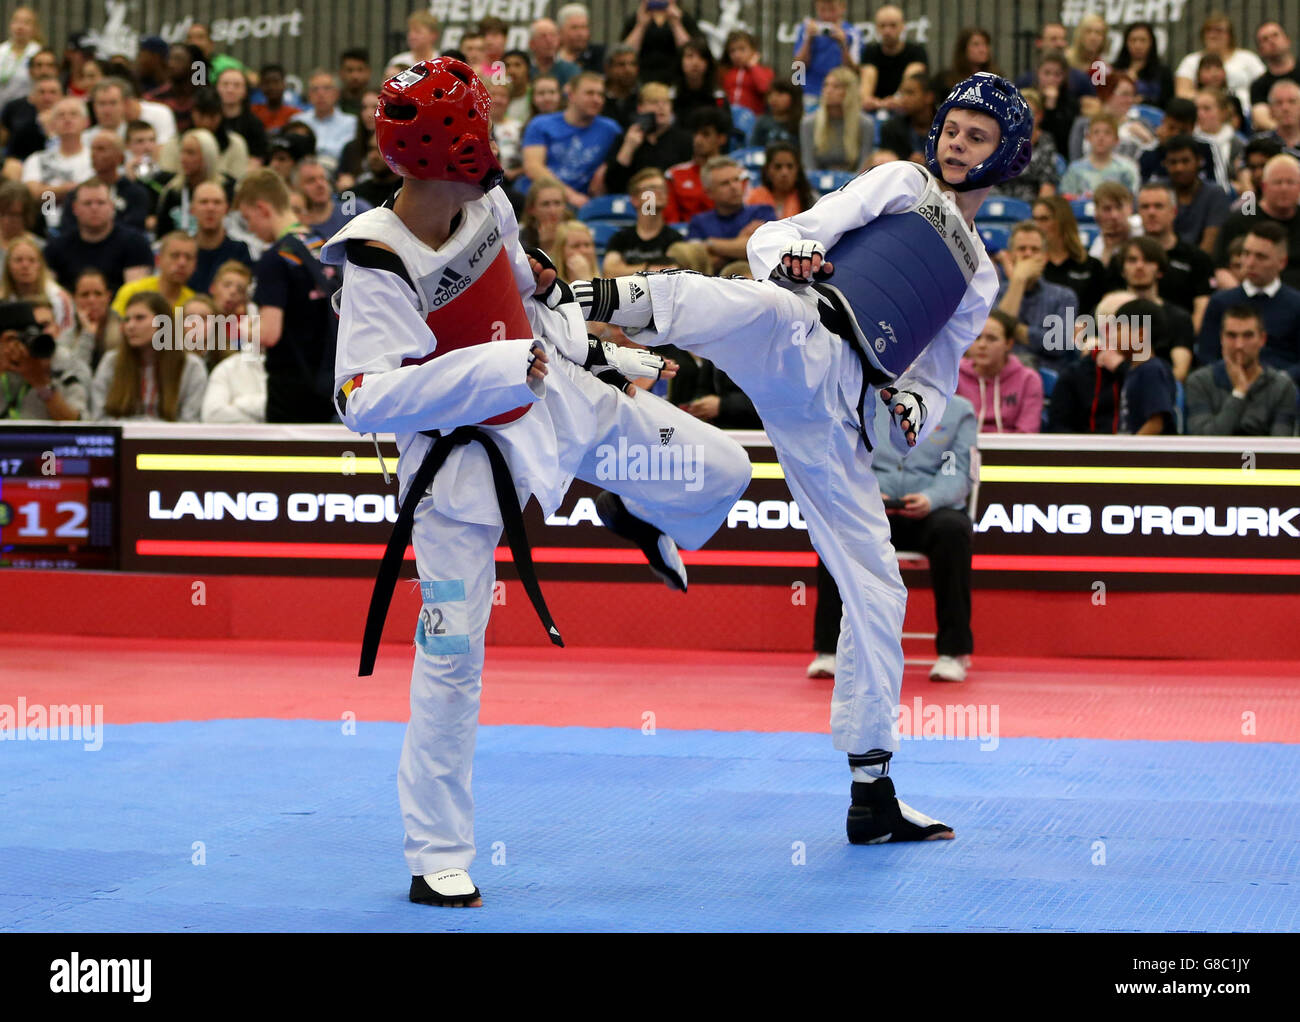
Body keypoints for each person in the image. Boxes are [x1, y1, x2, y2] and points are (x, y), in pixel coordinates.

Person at [319, 58, 750, 906]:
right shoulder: (376, 257)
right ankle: (435, 853)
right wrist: (492, 369)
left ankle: (630, 502)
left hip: (560, 401)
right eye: (479, 127)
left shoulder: (491, 204)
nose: (490, 142)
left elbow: (529, 294)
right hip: (461, 472)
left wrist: (599, 351)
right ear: (453, 146)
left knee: (721, 469)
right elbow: (361, 400)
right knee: (450, 657)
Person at [569, 71, 1035, 845]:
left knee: (879, 588)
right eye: (954, 128)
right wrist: (794, 259)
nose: (958, 143)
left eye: (977, 137)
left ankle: (872, 790)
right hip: (805, 327)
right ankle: (562, 304)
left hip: (841, 417)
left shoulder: (981, 275)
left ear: (1004, 155)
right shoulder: (901, 181)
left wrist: (911, 403)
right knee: (720, 301)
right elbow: (781, 233)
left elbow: (937, 369)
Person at [234, 169, 341, 422]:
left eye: (248, 219)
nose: (250, 228)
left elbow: (270, 333)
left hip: (292, 387)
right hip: (331, 380)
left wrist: (235, 328)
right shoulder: (323, 243)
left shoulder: (275, 257)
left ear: (263, 208)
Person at [1197, 222, 1300, 378]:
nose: (1250, 263)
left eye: (1261, 257)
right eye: (1246, 254)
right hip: (1227, 386)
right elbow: (1206, 355)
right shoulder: (1220, 302)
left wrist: (1279, 382)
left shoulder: (1296, 305)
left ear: (1282, 262)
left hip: (1283, 390)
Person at [91, 290, 208, 421]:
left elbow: (190, 424)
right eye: (127, 319)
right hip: (122, 440)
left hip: (170, 441)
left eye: (140, 318)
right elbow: (99, 419)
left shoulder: (191, 366)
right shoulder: (111, 362)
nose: (130, 326)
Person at [1186, 305, 1298, 435]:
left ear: (1262, 339)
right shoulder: (1199, 382)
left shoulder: (1282, 386)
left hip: (1261, 456)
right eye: (1231, 335)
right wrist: (1239, 393)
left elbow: (1280, 447)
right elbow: (1203, 442)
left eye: (1248, 336)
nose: (1239, 345)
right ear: (1221, 338)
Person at [44, 178, 153, 294]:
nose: (94, 208)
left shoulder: (136, 244)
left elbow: (135, 295)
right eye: (87, 203)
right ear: (75, 208)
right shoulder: (56, 247)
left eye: (101, 202)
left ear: (111, 206)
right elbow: (49, 292)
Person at [994, 220, 1079, 369]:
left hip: (1047, 379)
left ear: (1045, 257)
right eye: (1022, 249)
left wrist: (1014, 329)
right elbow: (993, 339)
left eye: (1035, 249)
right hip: (1000, 374)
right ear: (1010, 255)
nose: (1028, 254)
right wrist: (1018, 281)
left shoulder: (1065, 296)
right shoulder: (993, 292)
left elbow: (1058, 344)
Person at [1114, 236, 1196, 381]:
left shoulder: (1178, 318)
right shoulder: (1107, 310)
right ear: (1122, 270)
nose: (1139, 266)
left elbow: (1180, 372)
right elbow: (1090, 355)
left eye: (1148, 260)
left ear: (1160, 270)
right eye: (1132, 260)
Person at [1213, 154, 1300, 288]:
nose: (1284, 188)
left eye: (1290, 182)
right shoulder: (1239, 221)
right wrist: (1243, 297)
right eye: (1278, 182)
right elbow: (1221, 270)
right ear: (1264, 187)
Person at [1133, 182, 1215, 323]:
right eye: (1145, 207)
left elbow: (1202, 310)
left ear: (1174, 212)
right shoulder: (1125, 259)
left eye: (1158, 206)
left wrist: (1184, 339)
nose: (1151, 213)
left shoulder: (1197, 259)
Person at [0, 299, 88, 420]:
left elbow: (78, 426)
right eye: (10, 340)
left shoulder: (60, 361)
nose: (18, 347)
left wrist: (41, 383)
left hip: (46, 438)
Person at [957, 308, 1043, 432]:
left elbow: (1027, 432)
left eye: (991, 339)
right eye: (977, 338)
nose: (982, 345)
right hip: (962, 449)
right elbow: (945, 429)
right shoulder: (954, 377)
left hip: (1012, 450)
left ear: (1008, 344)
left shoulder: (1029, 380)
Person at [685, 156, 775, 272]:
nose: (734, 187)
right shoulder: (698, 222)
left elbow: (764, 250)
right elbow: (698, 264)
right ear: (709, 193)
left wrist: (710, 244)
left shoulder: (762, 212)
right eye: (725, 183)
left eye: (736, 180)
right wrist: (741, 244)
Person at [602, 81, 692, 196]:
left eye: (666, 102)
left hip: (671, 201)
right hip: (635, 201)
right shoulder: (626, 138)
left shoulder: (684, 140)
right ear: (640, 108)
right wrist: (628, 148)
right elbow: (613, 185)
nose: (661, 107)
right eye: (654, 102)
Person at [58, 130, 151, 235]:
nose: (93, 155)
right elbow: (67, 229)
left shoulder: (136, 193)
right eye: (92, 149)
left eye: (101, 149)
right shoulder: (78, 193)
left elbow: (136, 230)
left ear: (119, 157)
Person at [20, 95, 90, 230]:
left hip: (88, 226)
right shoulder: (37, 159)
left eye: (74, 114)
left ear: (86, 122)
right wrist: (68, 189)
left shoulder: (96, 157)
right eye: (61, 115)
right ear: (52, 124)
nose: (67, 119)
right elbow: (32, 194)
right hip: (48, 227)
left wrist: (50, 191)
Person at [1174, 13, 1266, 114]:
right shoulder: (1190, 61)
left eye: (1219, 31)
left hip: (1248, 114)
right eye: (1208, 30)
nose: (1213, 35)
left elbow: (1265, 88)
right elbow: (1182, 93)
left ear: (1230, 35)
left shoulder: (1248, 58)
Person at [603, 168, 683, 275]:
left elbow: (674, 271)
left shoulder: (674, 238)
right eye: (652, 189)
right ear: (635, 199)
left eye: (663, 188)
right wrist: (648, 268)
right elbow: (609, 271)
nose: (659, 192)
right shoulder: (621, 238)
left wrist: (627, 269)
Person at [801, 66, 874, 172]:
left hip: (854, 183)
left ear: (849, 91)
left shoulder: (865, 124)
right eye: (826, 85)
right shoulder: (809, 123)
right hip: (817, 183)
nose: (828, 91)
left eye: (836, 87)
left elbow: (864, 165)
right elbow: (808, 165)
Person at [858, 5, 928, 115]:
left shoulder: (916, 51)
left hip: (905, 111)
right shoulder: (870, 51)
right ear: (877, 28)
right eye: (882, 26)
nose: (887, 31)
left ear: (903, 27)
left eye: (893, 25)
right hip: (874, 110)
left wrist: (897, 99)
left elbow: (911, 81)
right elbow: (866, 84)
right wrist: (869, 100)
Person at [664, 107, 730, 223]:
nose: (698, 140)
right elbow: (670, 220)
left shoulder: (738, 175)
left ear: (721, 139)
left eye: (706, 134)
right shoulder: (673, 175)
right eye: (695, 134)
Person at [188, 180, 252, 294]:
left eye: (217, 202)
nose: (210, 208)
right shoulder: (184, 252)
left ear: (226, 209)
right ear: (192, 209)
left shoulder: (239, 251)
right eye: (203, 202)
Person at [791, 0, 860, 103]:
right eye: (822, 10)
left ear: (843, 8)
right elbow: (797, 67)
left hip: (841, 95)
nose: (827, 15)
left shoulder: (852, 33)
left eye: (832, 10)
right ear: (816, 8)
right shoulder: (806, 30)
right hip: (809, 93)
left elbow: (854, 72)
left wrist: (843, 44)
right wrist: (808, 40)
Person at [0, 237, 72, 334]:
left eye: (32, 260)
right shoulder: (2, 298)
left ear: (40, 265)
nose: (25, 265)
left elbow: (67, 338)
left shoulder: (59, 298)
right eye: (18, 260)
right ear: (8, 265)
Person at [1059, 112, 1140, 197]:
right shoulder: (1075, 169)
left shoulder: (1127, 169)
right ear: (1088, 137)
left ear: (1116, 140)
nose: (1101, 138)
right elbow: (1067, 199)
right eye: (1096, 132)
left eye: (1107, 133)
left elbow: (1132, 200)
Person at [621, 0, 699, 87]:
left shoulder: (684, 19)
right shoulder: (635, 20)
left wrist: (676, 24)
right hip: (641, 79)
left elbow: (691, 53)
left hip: (677, 80)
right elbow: (625, 54)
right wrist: (641, 25)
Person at [56, 267, 120, 369]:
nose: (91, 300)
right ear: (74, 298)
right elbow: (75, 374)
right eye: (85, 295)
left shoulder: (124, 330)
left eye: (98, 294)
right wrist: (88, 334)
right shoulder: (66, 337)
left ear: (108, 297)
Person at [296, 157, 373, 242]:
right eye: (311, 181)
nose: (320, 184)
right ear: (296, 188)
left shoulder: (356, 210)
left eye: (323, 178)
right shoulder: (295, 226)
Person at [291, 70, 357, 165]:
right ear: (309, 95)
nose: (320, 94)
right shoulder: (298, 121)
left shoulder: (351, 123)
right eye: (315, 89)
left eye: (327, 88)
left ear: (337, 93)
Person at [1112, 21, 1174, 109]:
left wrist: (1144, 101)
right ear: (1126, 43)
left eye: (1143, 40)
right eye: (1133, 40)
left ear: (1151, 43)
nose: (1138, 45)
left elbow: (1168, 103)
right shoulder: (1114, 69)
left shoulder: (1163, 71)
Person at [879, 71, 936, 163]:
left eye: (910, 93)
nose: (904, 99)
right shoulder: (891, 128)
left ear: (929, 97)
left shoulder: (945, 127)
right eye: (902, 93)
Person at [746, 141, 815, 219]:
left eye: (790, 166)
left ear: (798, 170)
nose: (784, 173)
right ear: (767, 170)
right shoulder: (753, 198)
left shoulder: (810, 200)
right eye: (778, 167)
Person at [722, 30, 772, 117]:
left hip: (754, 119)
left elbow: (764, 88)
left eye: (742, 49)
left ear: (753, 50)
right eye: (732, 51)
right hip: (730, 118)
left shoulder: (765, 71)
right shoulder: (727, 73)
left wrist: (753, 67)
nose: (737, 55)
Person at [751, 79, 803, 149]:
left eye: (780, 94)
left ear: (794, 97)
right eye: (770, 94)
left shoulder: (801, 124)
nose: (773, 98)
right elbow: (753, 150)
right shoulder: (762, 122)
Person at [251, 64, 301, 132]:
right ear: (260, 86)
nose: (272, 87)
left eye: (276, 82)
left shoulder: (295, 115)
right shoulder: (253, 112)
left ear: (284, 84)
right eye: (267, 82)